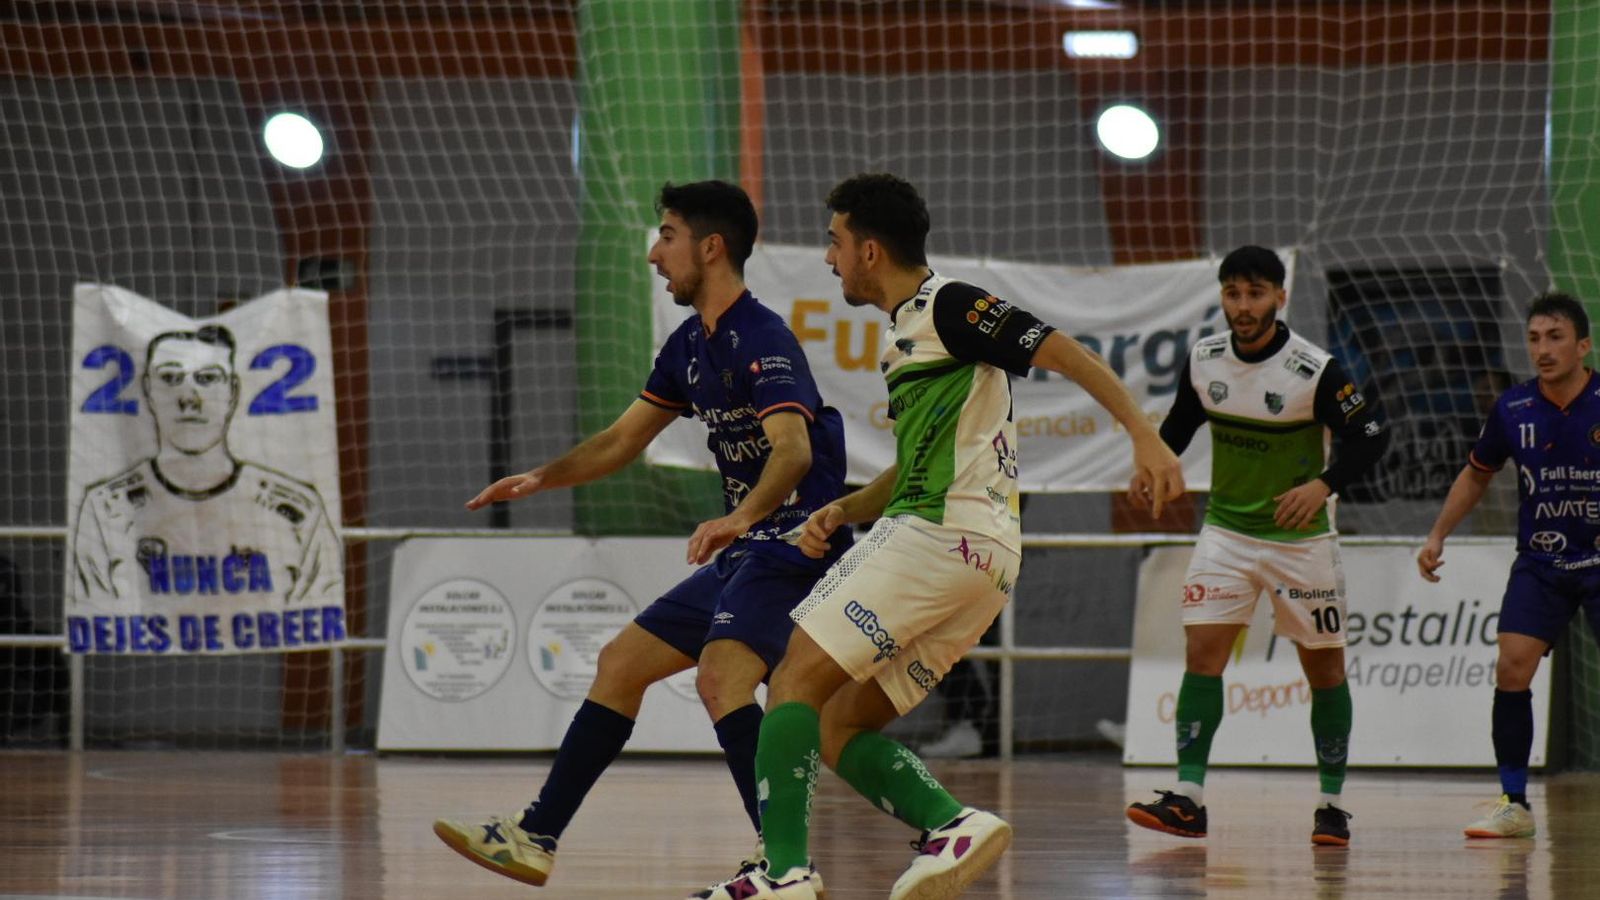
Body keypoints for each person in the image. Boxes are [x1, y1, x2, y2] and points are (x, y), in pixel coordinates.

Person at [696, 172, 1184, 900]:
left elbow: (1062, 349)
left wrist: (1146, 438)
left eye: (833, 243)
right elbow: (918, 462)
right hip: (979, 560)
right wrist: (841, 509)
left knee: (793, 676)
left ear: (867, 249)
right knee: (834, 724)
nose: (828, 259)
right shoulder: (906, 337)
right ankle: (951, 824)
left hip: (937, 535)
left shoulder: (947, 304)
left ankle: (784, 873)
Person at [432, 180, 852, 889]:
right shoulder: (690, 344)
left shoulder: (763, 336)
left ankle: (785, 864)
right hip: (748, 545)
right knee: (621, 663)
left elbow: (795, 452)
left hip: (795, 545)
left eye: (667, 236)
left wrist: (739, 516)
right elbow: (622, 439)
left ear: (710, 247)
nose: (656, 255)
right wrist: (541, 477)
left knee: (721, 678)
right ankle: (537, 836)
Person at [1123, 245, 1388, 848]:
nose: (1243, 308)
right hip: (1226, 534)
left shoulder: (1315, 370)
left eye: (1256, 294)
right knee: (1203, 655)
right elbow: (1180, 425)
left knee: (1324, 668)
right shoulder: (1205, 359)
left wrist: (1323, 485)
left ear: (1280, 297)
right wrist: (1152, 461)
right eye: (1233, 294)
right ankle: (1188, 799)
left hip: (1300, 543)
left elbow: (1371, 437)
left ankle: (1332, 805)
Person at [1417, 292, 1600, 840]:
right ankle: (1514, 803)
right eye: (1534, 338)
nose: (1542, 349)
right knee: (1511, 667)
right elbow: (1477, 473)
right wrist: (1437, 534)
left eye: (1556, 337)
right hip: (1542, 559)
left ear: (1583, 345)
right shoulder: (1513, 407)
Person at [71, 325, 342, 607]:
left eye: (208, 378)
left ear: (233, 392)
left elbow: (322, 614)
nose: (190, 399)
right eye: (171, 377)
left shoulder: (300, 513)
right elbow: (95, 612)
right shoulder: (105, 510)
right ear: (148, 391)